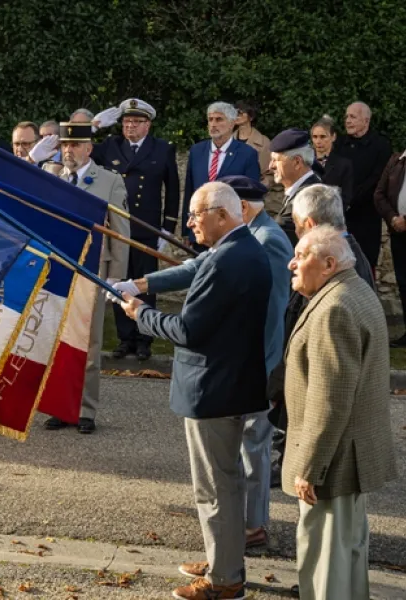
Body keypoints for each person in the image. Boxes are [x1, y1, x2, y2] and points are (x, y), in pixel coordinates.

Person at [117, 175, 291, 552]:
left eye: (197, 214)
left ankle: (249, 532)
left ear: (233, 211)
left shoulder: (267, 242)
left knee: (241, 460)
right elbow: (194, 268)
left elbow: (271, 311)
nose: (191, 221)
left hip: (248, 364)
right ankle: (232, 546)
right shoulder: (239, 242)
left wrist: (141, 313)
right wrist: (139, 284)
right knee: (229, 469)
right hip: (235, 366)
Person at [283, 225, 396, 600]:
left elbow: (331, 399)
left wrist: (311, 468)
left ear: (329, 264)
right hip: (350, 453)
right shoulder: (354, 290)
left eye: (301, 256)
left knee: (325, 561)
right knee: (347, 553)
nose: (291, 264)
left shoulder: (334, 308)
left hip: (334, 460)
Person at [268, 184, 375, 486]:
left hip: (331, 448)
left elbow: (332, 387)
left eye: (298, 227)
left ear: (310, 225)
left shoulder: (337, 267)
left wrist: (312, 465)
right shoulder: (346, 255)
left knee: (328, 528)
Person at [43, 122, 129, 434]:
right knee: (57, 340)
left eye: (76, 145)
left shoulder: (108, 180)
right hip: (57, 270)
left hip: (93, 270)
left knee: (89, 343)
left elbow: (121, 231)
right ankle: (59, 407)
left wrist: (117, 277)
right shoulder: (52, 176)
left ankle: (84, 410)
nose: (69, 150)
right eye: (65, 145)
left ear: (89, 149)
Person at [88, 98, 180, 361]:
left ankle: (144, 339)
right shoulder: (110, 147)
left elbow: (171, 189)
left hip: (146, 226)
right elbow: (79, 150)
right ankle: (124, 337)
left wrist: (168, 227)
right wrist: (93, 127)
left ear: (147, 125)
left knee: (145, 284)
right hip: (117, 225)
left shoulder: (162, 149)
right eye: (126, 122)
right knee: (119, 281)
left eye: (136, 122)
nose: (130, 127)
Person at [181, 102, 260, 243]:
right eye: (210, 119)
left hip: (230, 232)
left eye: (219, 119)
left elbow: (251, 197)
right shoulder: (197, 151)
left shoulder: (247, 154)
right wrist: (186, 230)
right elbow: (190, 190)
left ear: (231, 123)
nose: (213, 124)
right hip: (199, 231)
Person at [335, 101, 392, 268]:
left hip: (367, 216)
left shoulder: (381, 145)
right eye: (346, 116)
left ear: (366, 121)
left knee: (365, 263)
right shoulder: (339, 144)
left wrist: (352, 199)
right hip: (341, 215)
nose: (347, 121)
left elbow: (378, 179)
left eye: (352, 117)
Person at [269, 129, 321, 246]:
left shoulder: (308, 196)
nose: (270, 166)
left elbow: (280, 235)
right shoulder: (302, 189)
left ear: (297, 162)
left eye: (276, 160)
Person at [375, 148, 406, 346]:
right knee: (404, 283)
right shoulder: (396, 160)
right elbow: (379, 194)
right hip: (398, 233)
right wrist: (392, 218)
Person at [310, 115, 353, 209]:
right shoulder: (306, 162)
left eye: (322, 137)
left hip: (333, 216)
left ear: (333, 137)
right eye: (315, 137)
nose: (318, 141)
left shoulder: (344, 164)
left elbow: (346, 197)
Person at [232, 100, 273, 188]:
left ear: (251, 117)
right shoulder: (227, 140)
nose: (236, 116)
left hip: (254, 193)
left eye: (240, 113)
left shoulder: (264, 142)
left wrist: (258, 187)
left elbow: (270, 173)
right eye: (234, 113)